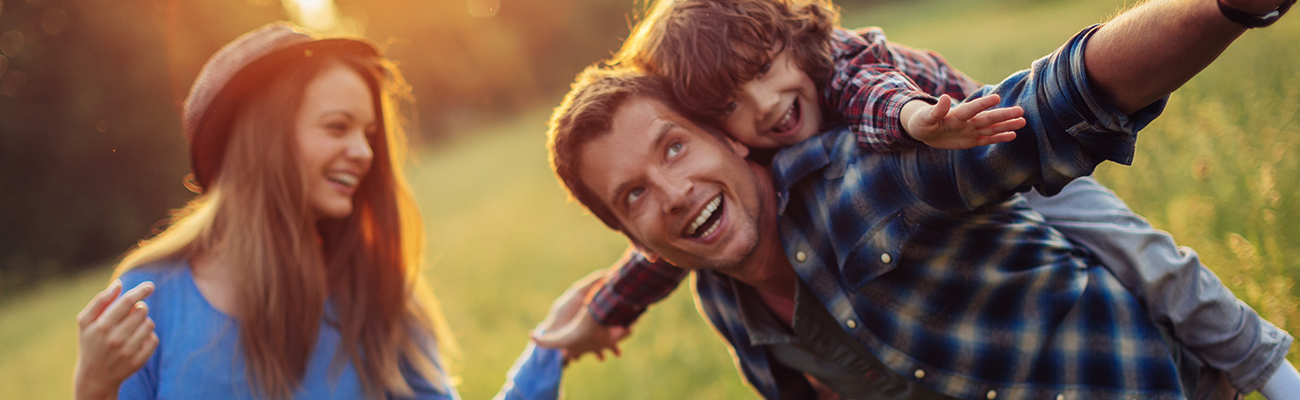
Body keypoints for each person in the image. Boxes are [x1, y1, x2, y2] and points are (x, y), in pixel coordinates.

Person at [540, 0, 1300, 397]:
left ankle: (1258, 360)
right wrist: (589, 324)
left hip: (970, 138)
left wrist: (1227, 8)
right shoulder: (723, 294)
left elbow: (1059, 98)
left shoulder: (856, 145)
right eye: (634, 194)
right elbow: (652, 261)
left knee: (1140, 250)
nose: (672, 195)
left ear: (719, 144)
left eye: (674, 148)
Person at [72, 22, 458, 399]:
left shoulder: (373, 285)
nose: (364, 153)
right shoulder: (150, 300)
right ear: (264, 142)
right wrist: (93, 390)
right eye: (338, 127)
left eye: (369, 135)